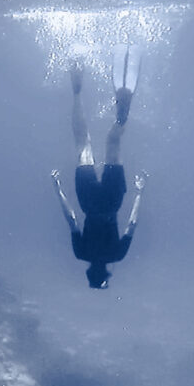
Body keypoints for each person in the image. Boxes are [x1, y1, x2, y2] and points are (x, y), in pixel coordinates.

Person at [51, 48, 146, 289]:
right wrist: (58, 189)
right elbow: (72, 219)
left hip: (112, 202)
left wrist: (139, 192)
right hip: (89, 202)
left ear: (105, 273)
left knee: (113, 141)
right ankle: (76, 90)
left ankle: (121, 117)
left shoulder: (117, 256)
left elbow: (132, 224)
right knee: (83, 142)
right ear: (89, 272)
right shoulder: (81, 253)